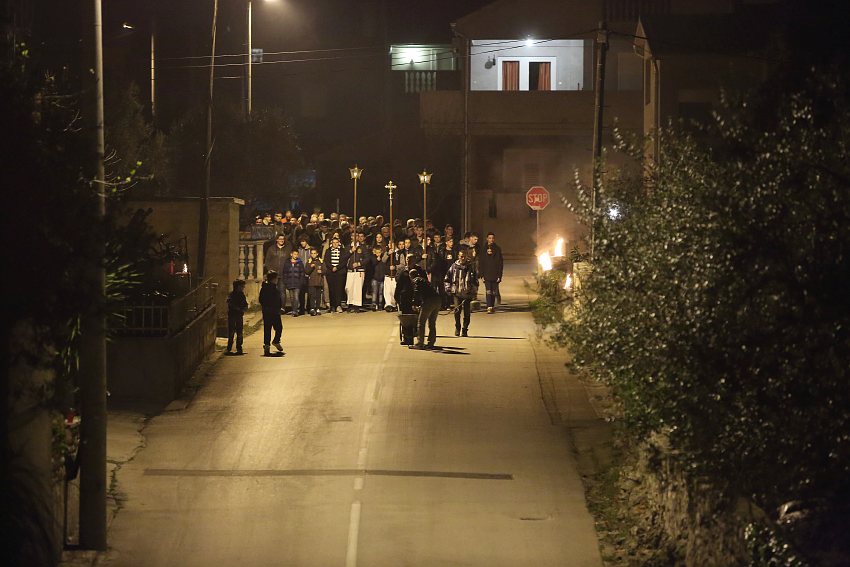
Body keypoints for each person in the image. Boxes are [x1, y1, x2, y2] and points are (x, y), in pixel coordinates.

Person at [445, 249, 478, 337]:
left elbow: (475, 281)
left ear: (466, 257)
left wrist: (474, 291)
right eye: (461, 256)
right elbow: (447, 278)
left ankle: (465, 329)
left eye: (464, 257)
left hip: (467, 293)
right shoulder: (454, 267)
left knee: (467, 313)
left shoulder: (471, 267)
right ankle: (457, 327)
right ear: (458, 256)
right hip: (457, 293)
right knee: (457, 311)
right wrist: (448, 289)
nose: (462, 258)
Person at [410, 267, 441, 350]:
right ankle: (431, 342)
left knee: (421, 322)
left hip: (429, 301)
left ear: (411, 276)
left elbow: (416, 291)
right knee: (432, 322)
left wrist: (414, 303)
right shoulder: (424, 280)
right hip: (437, 300)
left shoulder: (416, 280)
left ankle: (420, 343)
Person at [264, 234, 293, 312]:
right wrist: (269, 270)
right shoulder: (271, 249)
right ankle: (273, 307)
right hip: (273, 274)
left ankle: (282, 308)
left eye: (283, 239)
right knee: (272, 292)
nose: (281, 240)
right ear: (276, 239)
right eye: (280, 239)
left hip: (284, 273)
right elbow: (267, 261)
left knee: (282, 291)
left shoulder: (288, 249)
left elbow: (291, 260)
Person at [478, 232, 504, 313]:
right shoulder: (483, 249)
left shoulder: (497, 249)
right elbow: (481, 262)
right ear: (487, 239)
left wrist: (499, 275)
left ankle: (492, 305)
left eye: (492, 238)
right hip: (486, 273)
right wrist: (481, 274)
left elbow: (500, 263)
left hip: (495, 274)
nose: (491, 240)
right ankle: (489, 306)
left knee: (493, 291)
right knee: (488, 291)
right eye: (489, 238)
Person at [259, 271, 284, 356]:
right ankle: (274, 342)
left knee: (268, 329)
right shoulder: (272, 288)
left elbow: (261, 299)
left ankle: (268, 345)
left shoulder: (265, 288)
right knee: (278, 328)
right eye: (276, 278)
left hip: (268, 311)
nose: (277, 280)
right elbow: (276, 300)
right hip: (273, 311)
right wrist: (276, 307)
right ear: (273, 279)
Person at [394, 261, 416, 345]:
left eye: (411, 259)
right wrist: (396, 297)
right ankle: (406, 338)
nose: (409, 261)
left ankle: (413, 337)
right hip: (404, 299)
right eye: (408, 259)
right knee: (405, 319)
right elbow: (399, 285)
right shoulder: (403, 272)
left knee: (413, 319)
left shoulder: (418, 270)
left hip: (414, 299)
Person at [324, 236, 348, 313]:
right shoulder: (328, 251)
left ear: (339, 243)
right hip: (330, 273)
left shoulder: (343, 251)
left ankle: (338, 305)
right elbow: (326, 261)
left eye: (336, 242)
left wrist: (337, 267)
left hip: (340, 272)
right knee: (331, 289)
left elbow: (344, 261)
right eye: (333, 242)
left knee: (339, 289)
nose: (335, 244)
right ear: (331, 243)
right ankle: (332, 306)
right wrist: (332, 267)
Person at [345, 231, 367, 312]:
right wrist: (351, 251)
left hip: (359, 271)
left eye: (356, 235)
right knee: (348, 287)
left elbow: (367, 258)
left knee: (357, 288)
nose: (354, 237)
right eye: (353, 235)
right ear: (351, 237)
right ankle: (350, 303)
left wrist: (359, 263)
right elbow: (344, 257)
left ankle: (356, 305)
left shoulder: (362, 247)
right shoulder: (348, 247)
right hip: (350, 270)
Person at [226, 279, 248, 354]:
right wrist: (238, 308)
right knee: (231, 332)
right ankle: (229, 348)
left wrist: (245, 307)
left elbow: (245, 303)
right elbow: (229, 303)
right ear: (237, 286)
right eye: (242, 286)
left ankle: (239, 348)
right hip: (232, 315)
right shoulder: (231, 295)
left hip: (239, 315)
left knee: (239, 332)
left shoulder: (242, 295)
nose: (243, 288)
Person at [282, 249, 306, 317]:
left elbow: (302, 273)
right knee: (292, 297)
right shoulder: (287, 263)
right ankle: (293, 310)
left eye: (297, 254)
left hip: (297, 283)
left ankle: (295, 311)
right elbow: (285, 273)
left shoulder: (300, 263)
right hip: (290, 282)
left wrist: (301, 281)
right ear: (291, 254)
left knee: (296, 297)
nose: (296, 256)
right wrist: (286, 281)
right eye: (294, 254)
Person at [304, 247, 324, 316]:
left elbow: (325, 270)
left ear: (317, 254)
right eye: (312, 253)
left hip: (319, 281)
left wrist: (322, 271)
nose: (313, 255)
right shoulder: (309, 261)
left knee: (318, 296)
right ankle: (312, 308)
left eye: (314, 253)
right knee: (312, 295)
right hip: (311, 282)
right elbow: (306, 271)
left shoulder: (321, 261)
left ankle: (317, 308)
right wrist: (311, 267)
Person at [369, 244, 389, 311]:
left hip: (382, 278)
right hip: (375, 278)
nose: (378, 254)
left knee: (381, 292)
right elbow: (371, 266)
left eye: (379, 252)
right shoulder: (372, 258)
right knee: (374, 292)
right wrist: (377, 260)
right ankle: (374, 304)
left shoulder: (383, 259)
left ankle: (380, 304)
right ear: (374, 252)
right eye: (377, 252)